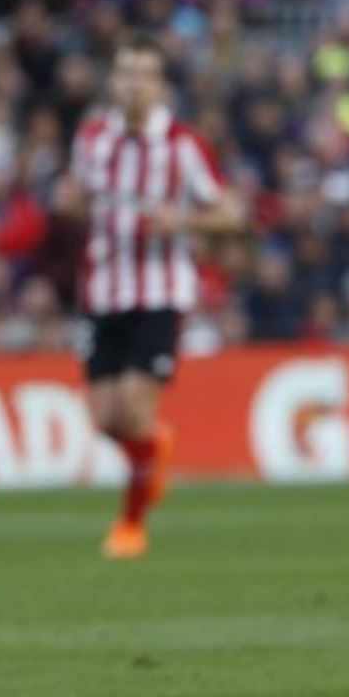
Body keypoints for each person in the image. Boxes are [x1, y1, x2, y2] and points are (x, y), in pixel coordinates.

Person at [63, 35, 243, 559]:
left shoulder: (183, 145)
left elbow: (230, 214)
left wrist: (182, 219)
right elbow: (82, 202)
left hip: (160, 291)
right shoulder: (92, 138)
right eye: (124, 73)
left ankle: (130, 525)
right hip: (100, 290)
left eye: (143, 74)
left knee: (135, 412)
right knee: (103, 418)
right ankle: (153, 452)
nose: (133, 84)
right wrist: (69, 203)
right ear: (113, 82)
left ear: (159, 85)